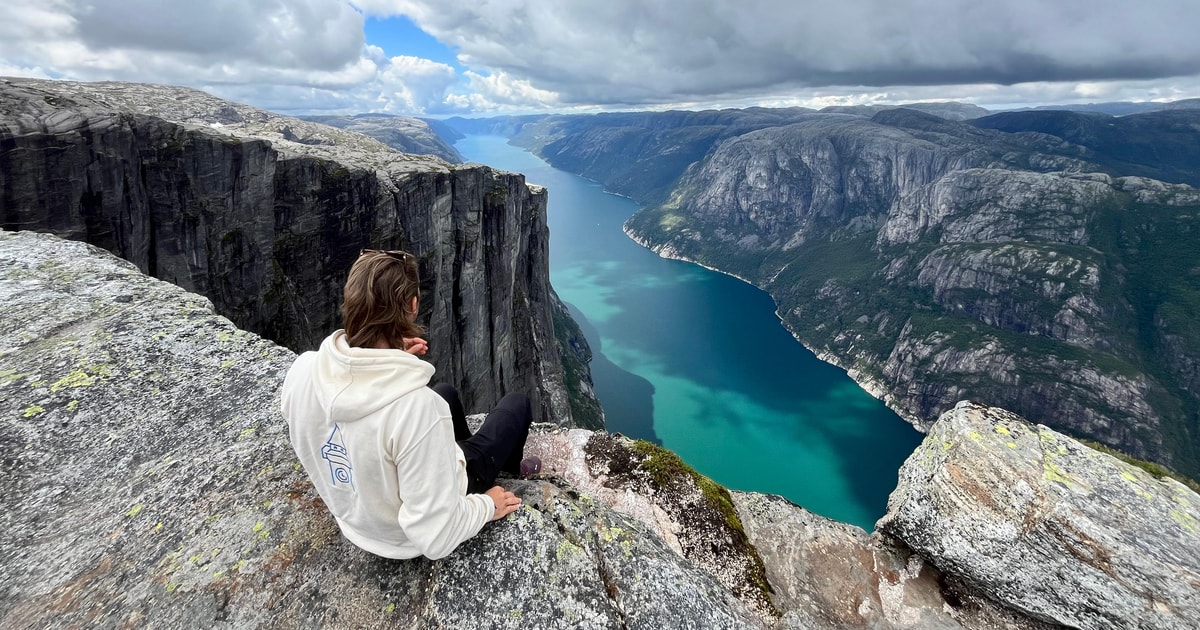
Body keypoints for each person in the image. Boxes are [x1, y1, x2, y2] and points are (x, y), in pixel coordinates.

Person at [280, 249, 541, 560]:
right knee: (516, 406)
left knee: (445, 393)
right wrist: (487, 505)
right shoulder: (417, 410)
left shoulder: (303, 371)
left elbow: (345, 421)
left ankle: (463, 460)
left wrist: (384, 354)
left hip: (358, 516)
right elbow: (436, 537)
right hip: (402, 537)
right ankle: (506, 476)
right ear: (413, 305)